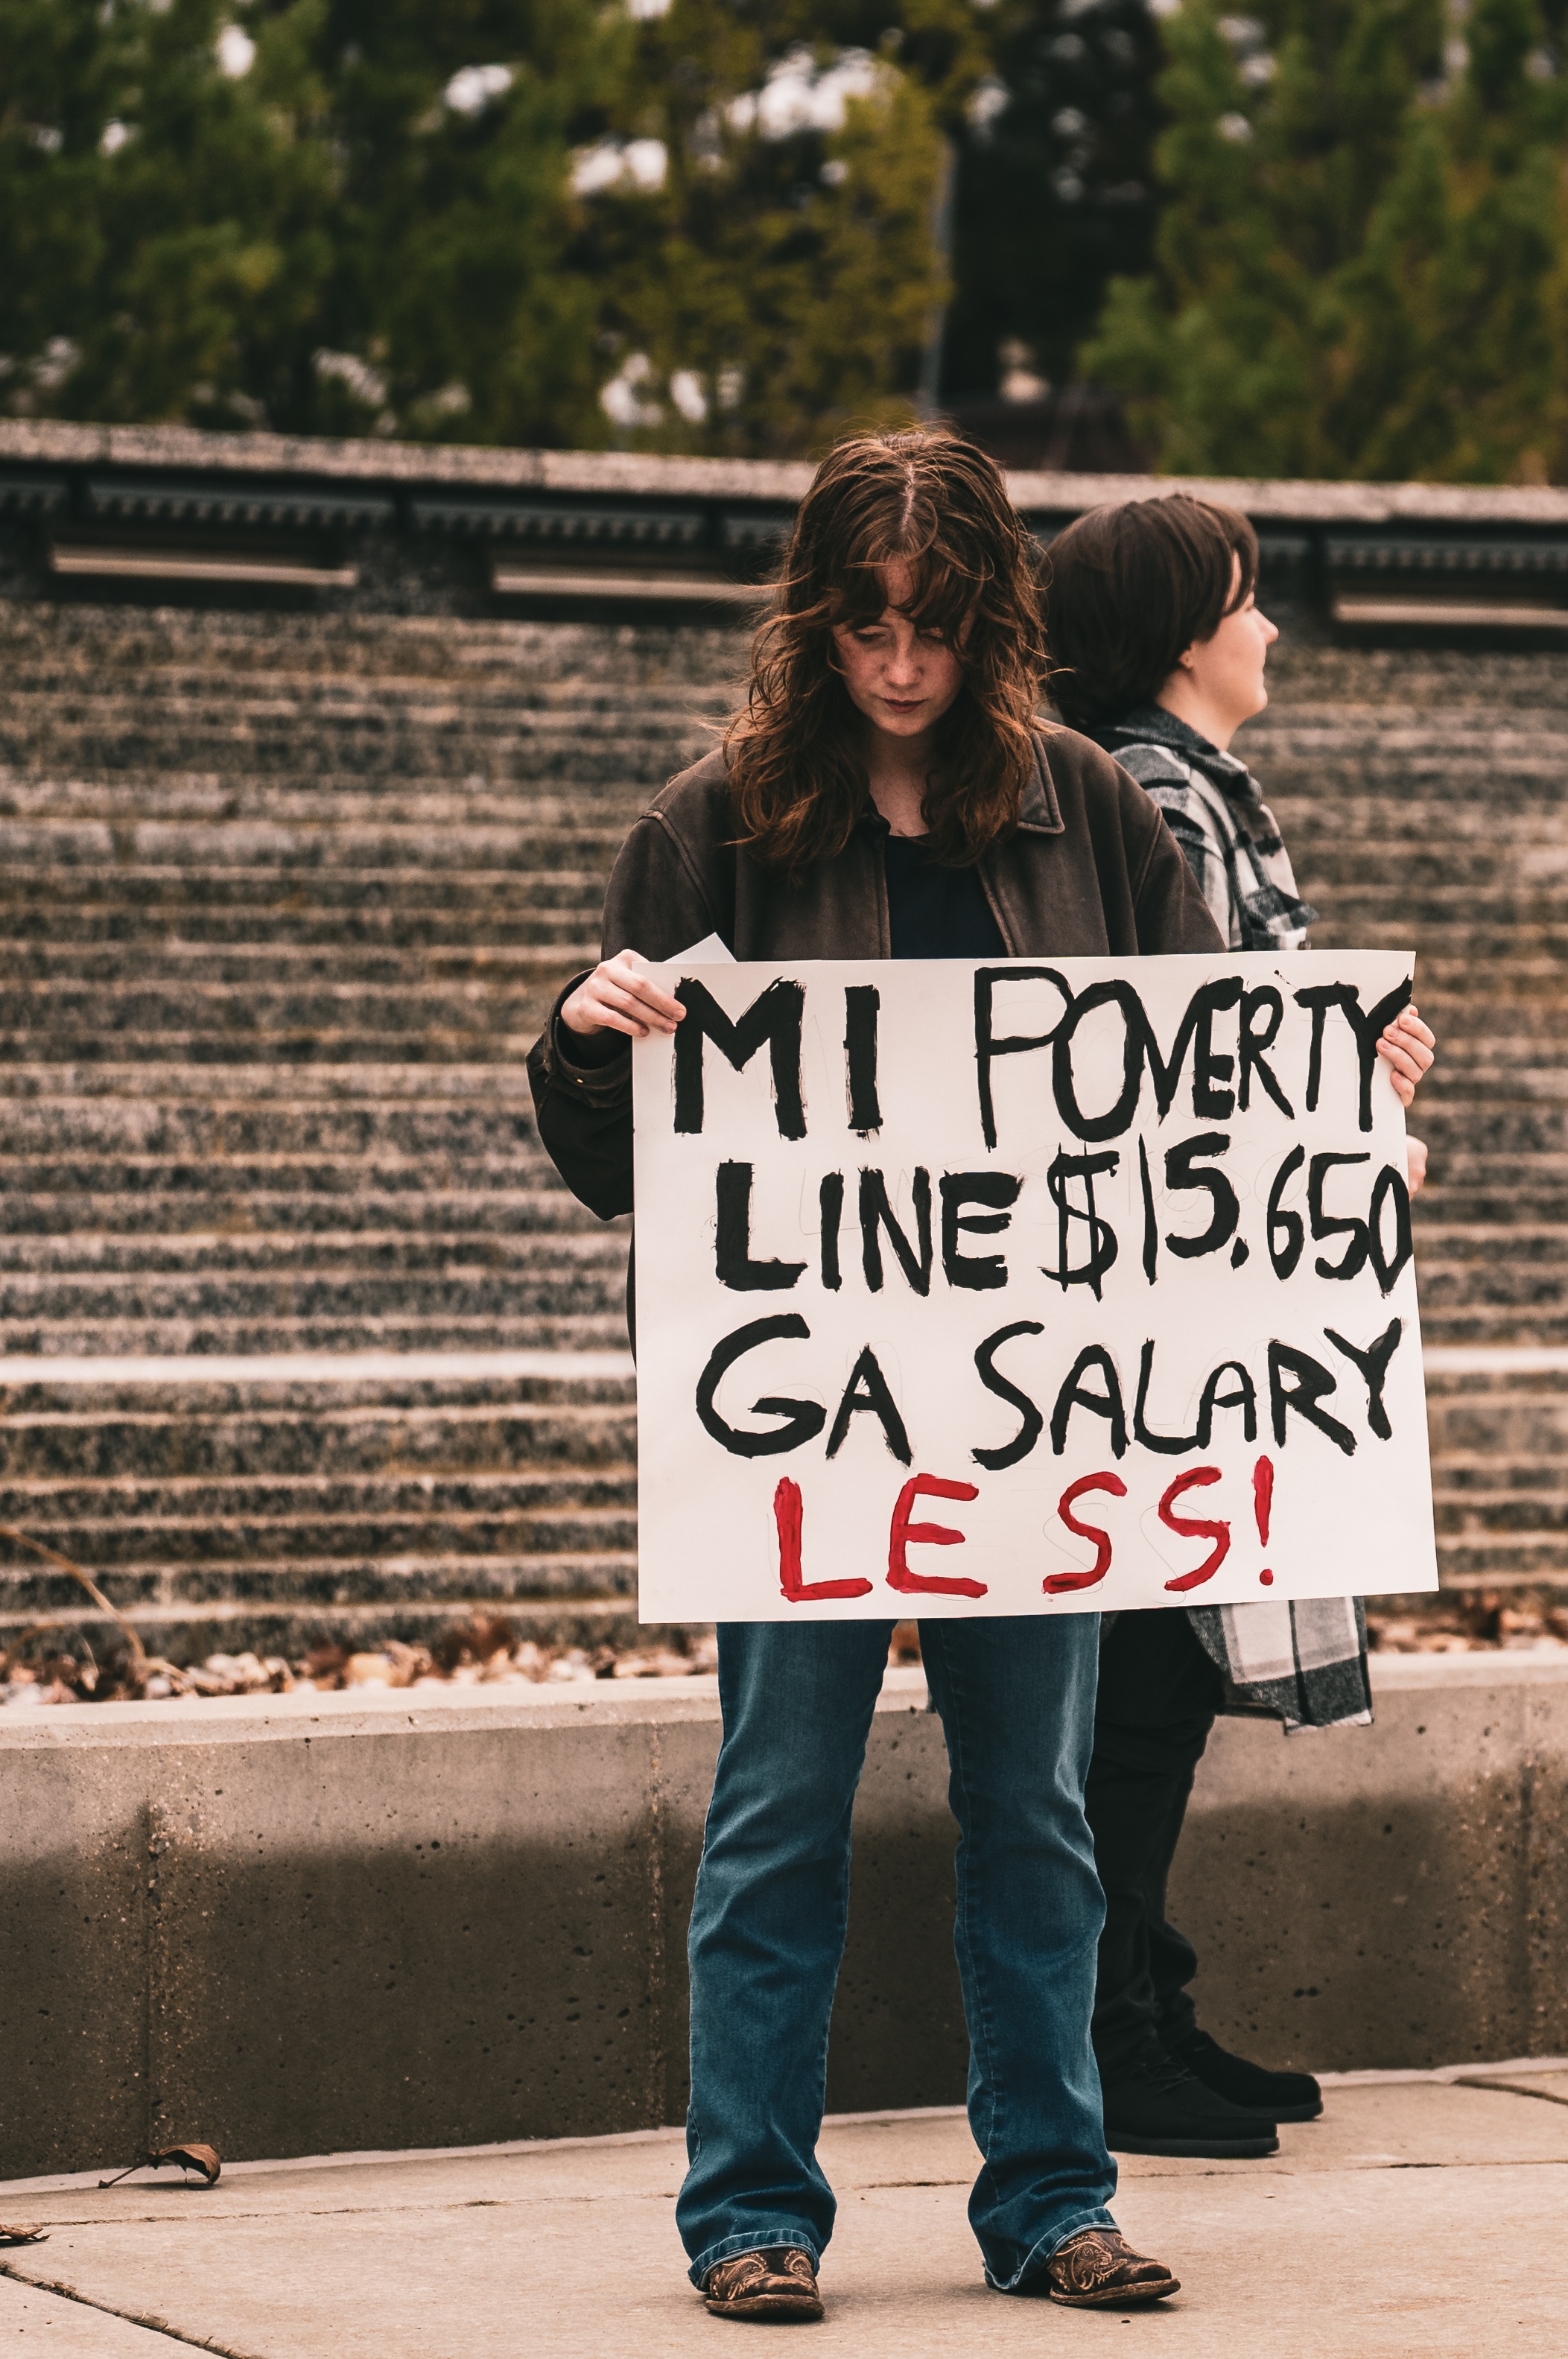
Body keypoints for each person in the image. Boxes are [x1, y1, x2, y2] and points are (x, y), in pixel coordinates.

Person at [527, 430, 1216, 2321]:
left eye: (933, 625)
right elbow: (615, 1165)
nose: (899, 664)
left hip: (1028, 1415)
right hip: (813, 1425)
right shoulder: (713, 822)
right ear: (813, 620)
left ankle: (1052, 2199)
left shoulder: (1091, 806)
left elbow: (1211, 1079)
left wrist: (1352, 1080)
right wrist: (588, 1039)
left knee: (1041, 1814)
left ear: (993, 621)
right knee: (777, 1809)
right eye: (864, 624)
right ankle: (749, 2209)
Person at [1044, 492, 1435, 2161]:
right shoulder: (1160, 802)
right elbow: (1181, 1067)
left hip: (1187, 1308)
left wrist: (1359, 1075)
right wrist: (1339, 1098)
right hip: (1166, 1327)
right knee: (1146, 1675)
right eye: (1248, 599)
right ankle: (1114, 2033)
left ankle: (1142, 2001)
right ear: (1184, 633)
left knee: (1159, 1672)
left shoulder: (1195, 794)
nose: (1270, 627)